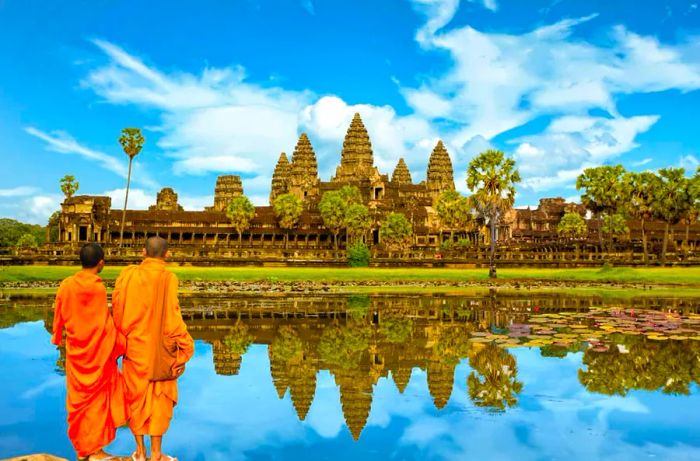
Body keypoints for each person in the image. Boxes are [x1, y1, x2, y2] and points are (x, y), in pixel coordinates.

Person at [112, 236, 194, 461]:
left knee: (135, 397)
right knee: (160, 398)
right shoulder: (168, 278)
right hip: (161, 351)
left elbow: (117, 310)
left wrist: (121, 338)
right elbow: (173, 317)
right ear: (167, 254)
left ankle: (140, 452)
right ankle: (156, 454)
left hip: (134, 348)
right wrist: (185, 348)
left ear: (142, 252)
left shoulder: (127, 276)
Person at [52, 243, 126, 461]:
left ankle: (85, 449)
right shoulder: (97, 288)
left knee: (79, 402)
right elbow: (102, 323)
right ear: (101, 262)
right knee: (96, 402)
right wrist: (120, 342)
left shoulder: (67, 284)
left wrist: (57, 336)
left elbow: (59, 313)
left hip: (76, 352)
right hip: (97, 354)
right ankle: (94, 450)